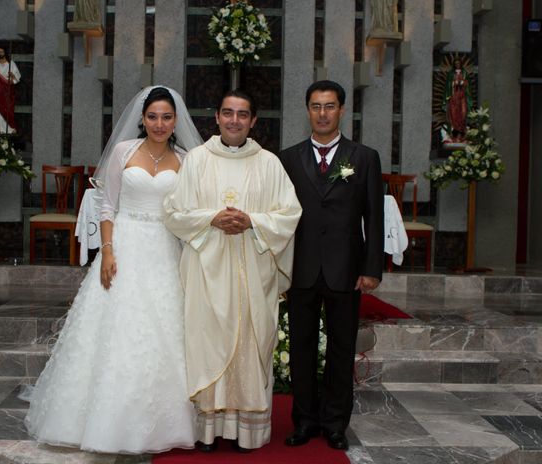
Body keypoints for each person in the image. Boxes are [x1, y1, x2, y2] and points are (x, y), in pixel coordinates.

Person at [24, 86, 203, 454]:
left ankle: (162, 424)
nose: (159, 123)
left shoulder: (187, 159)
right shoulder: (124, 152)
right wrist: (106, 252)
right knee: (117, 329)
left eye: (166, 117)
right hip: (125, 246)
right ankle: (100, 422)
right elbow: (108, 206)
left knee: (164, 333)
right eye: (152, 116)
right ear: (141, 119)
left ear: (176, 121)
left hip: (166, 250)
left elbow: (189, 211)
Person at [164, 90, 302, 452]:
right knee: (206, 342)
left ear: (253, 120)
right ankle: (206, 430)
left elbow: (290, 213)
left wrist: (252, 221)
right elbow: (173, 213)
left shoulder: (269, 163)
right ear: (217, 117)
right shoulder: (196, 160)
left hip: (252, 273)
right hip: (206, 271)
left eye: (243, 114)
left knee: (249, 345)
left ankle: (246, 431)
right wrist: (212, 218)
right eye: (228, 113)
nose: (235, 120)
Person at [279, 80, 384, 451]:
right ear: (307, 110)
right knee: (301, 349)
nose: (322, 113)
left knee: (341, 349)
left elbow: (374, 216)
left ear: (341, 110)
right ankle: (305, 420)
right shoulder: (288, 158)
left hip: (346, 270)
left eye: (329, 106)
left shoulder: (364, 157)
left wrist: (371, 268)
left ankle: (336, 422)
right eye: (315, 106)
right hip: (302, 269)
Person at [443, 58, 472, 142]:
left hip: (462, 96)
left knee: (463, 113)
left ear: (461, 64)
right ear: (454, 65)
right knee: (453, 114)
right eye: (456, 63)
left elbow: (468, 84)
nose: (457, 65)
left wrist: (463, 82)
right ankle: (454, 134)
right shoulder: (450, 73)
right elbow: (448, 84)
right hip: (454, 97)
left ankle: (462, 132)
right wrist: (453, 83)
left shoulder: (464, 73)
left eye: (458, 63)